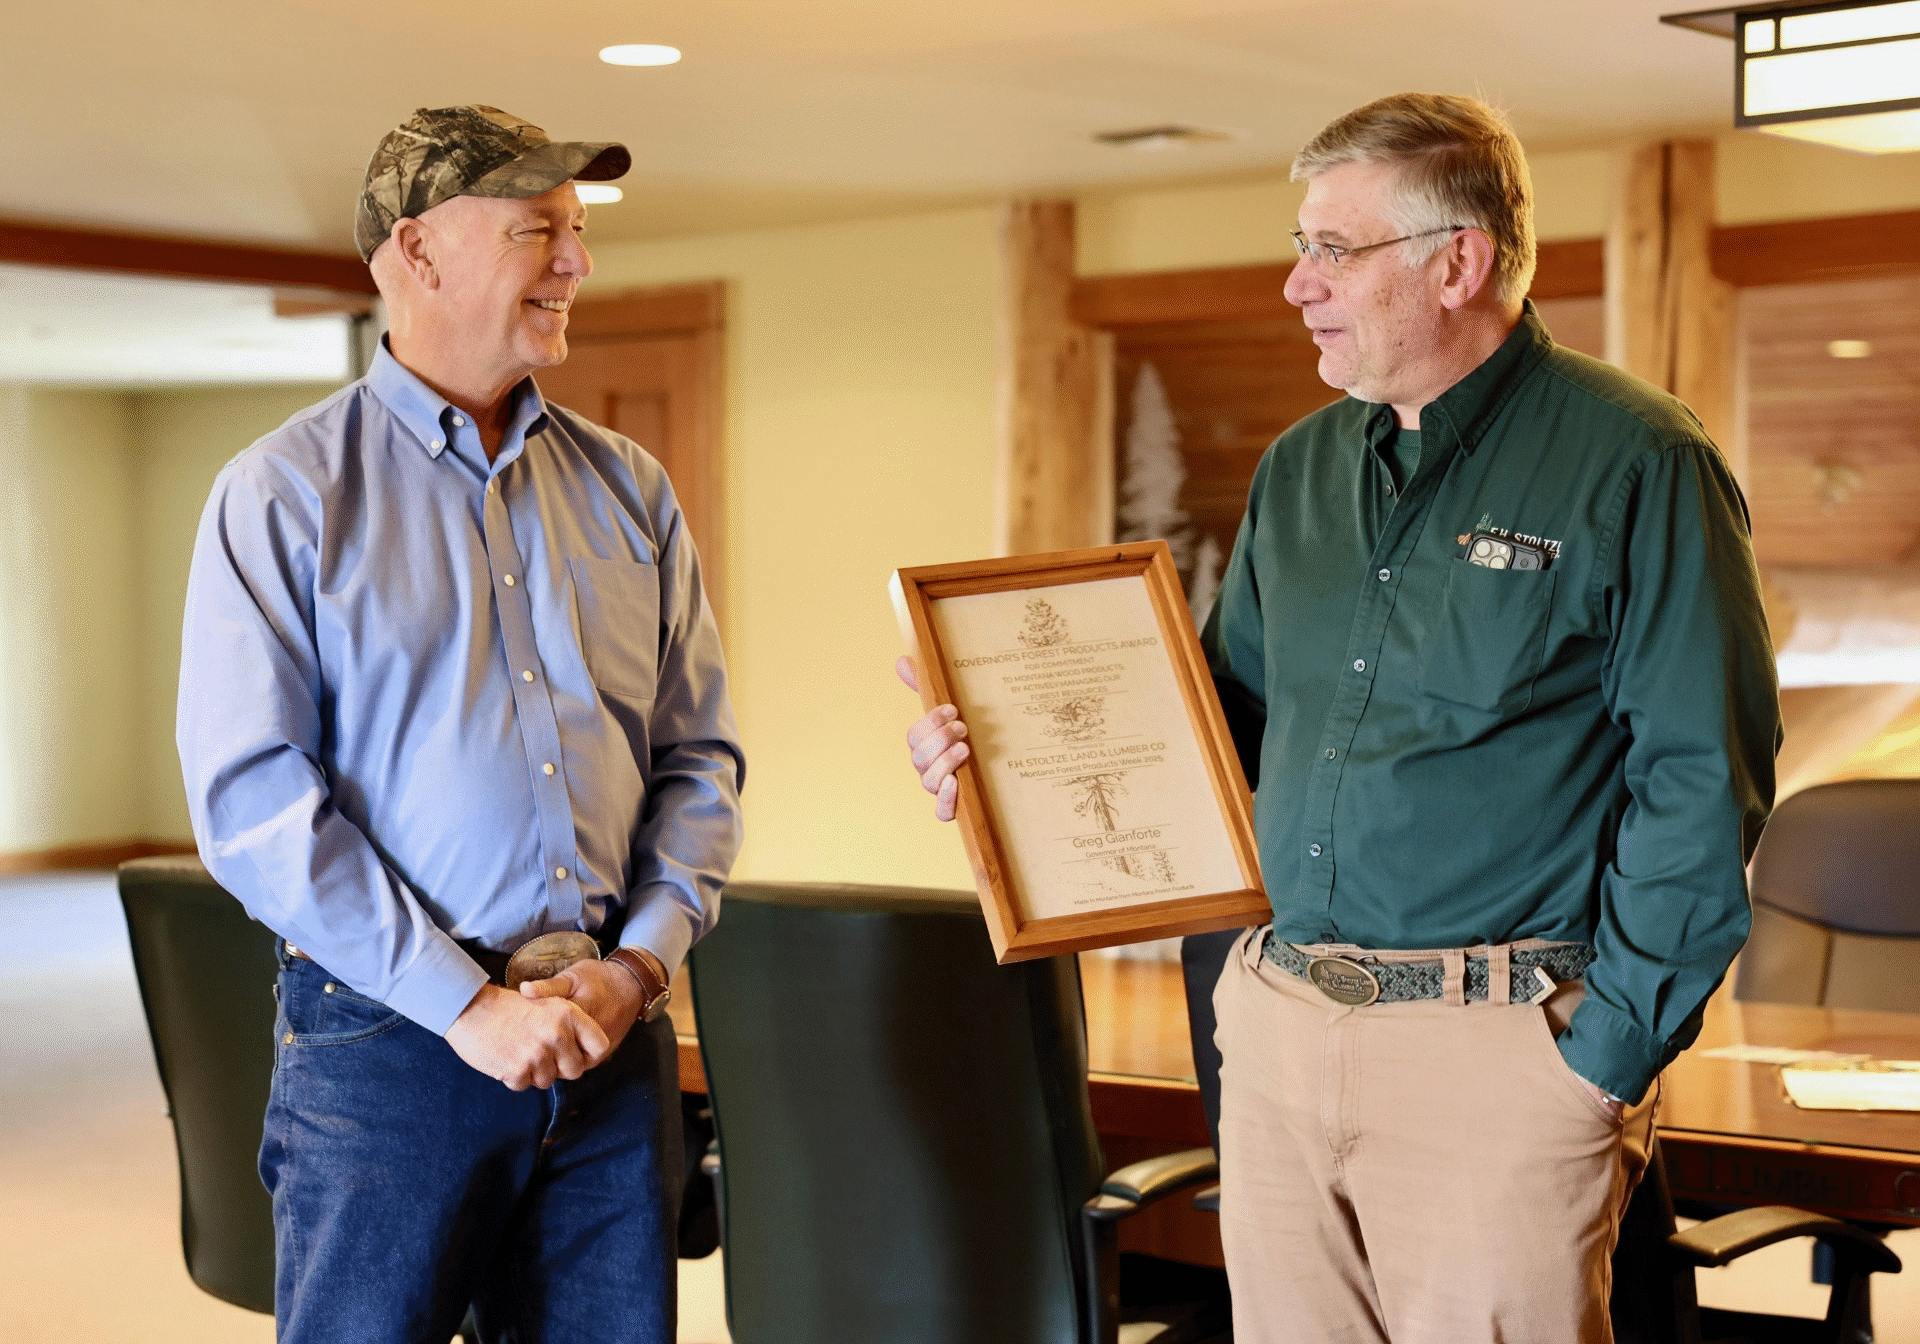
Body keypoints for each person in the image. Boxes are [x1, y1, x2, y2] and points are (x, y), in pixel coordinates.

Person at [903, 92, 1779, 1342]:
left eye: (1331, 248)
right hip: (1277, 1034)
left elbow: (1705, 778)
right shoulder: (1301, 468)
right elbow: (1217, 730)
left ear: (1458, 262)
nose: (1295, 283)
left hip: (1500, 1053)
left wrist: (1602, 1058)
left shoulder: (1638, 460)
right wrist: (1001, 759)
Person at [178, 105, 744, 1343]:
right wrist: (467, 1005)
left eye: (579, 235)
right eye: (540, 231)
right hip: (388, 1051)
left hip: (610, 1041)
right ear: (416, 252)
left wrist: (639, 963)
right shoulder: (280, 496)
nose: (577, 265)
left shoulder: (630, 489)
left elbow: (699, 760)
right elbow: (254, 808)